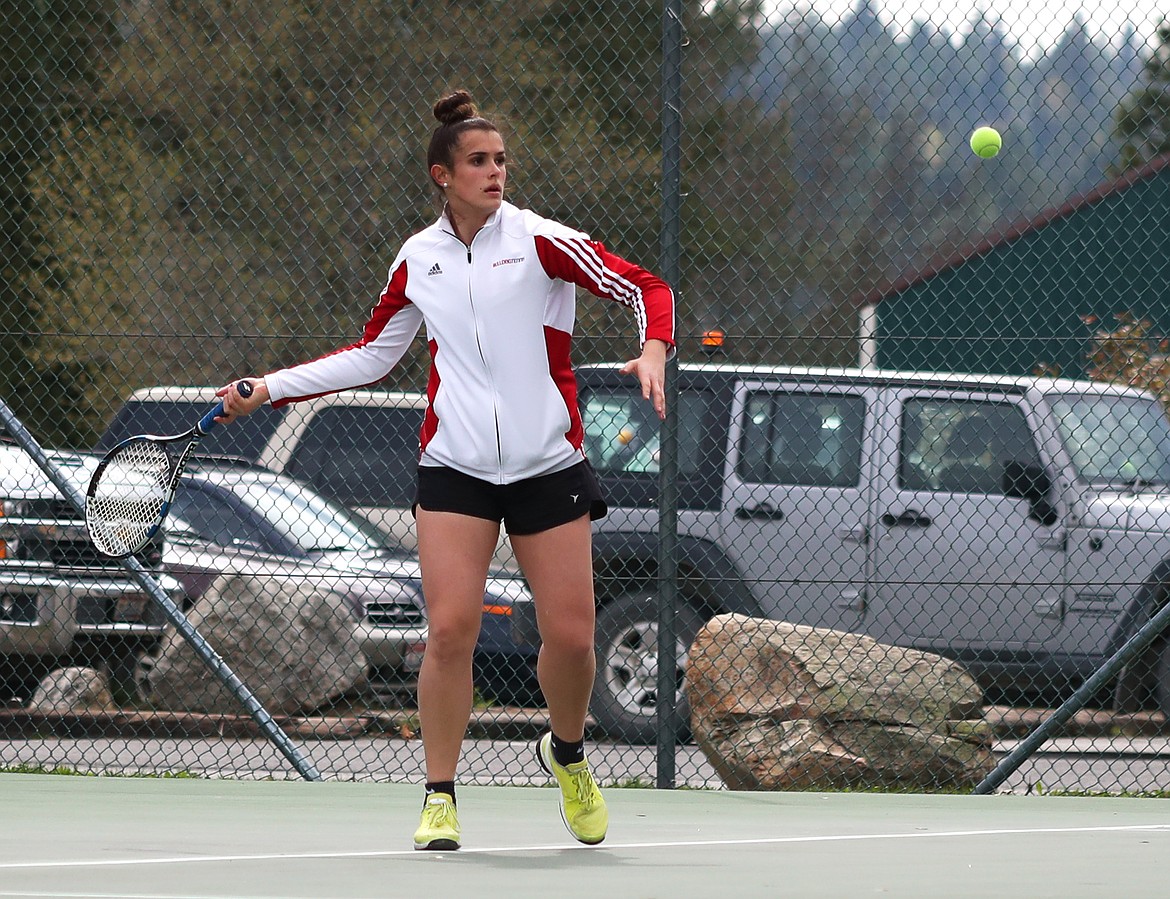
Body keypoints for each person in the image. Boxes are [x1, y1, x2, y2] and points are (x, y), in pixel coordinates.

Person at [216, 89, 675, 851]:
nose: (496, 171)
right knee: (451, 628)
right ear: (443, 175)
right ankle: (439, 794)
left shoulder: (542, 241)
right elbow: (373, 354)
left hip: (546, 464)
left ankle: (565, 754)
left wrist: (654, 346)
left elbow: (645, 287)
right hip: (454, 466)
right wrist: (268, 388)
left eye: (501, 160)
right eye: (479, 161)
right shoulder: (417, 259)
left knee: (571, 636)